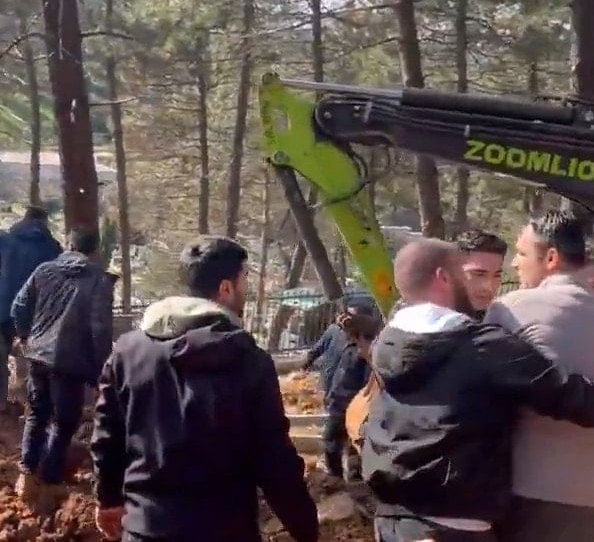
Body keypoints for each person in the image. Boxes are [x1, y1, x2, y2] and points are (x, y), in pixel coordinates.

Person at [361, 237, 594, 542]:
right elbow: (561, 392)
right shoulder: (482, 346)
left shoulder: (388, 343)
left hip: (392, 518)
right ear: (443, 277)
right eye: (467, 274)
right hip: (452, 524)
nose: (483, 287)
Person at [90, 237, 318, 542]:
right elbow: (274, 458)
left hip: (146, 529)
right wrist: (305, 528)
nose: (247, 287)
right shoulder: (248, 360)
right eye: (245, 277)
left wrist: (108, 499)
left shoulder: (128, 352)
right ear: (226, 288)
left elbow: (108, 435)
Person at [485, 210, 594, 542]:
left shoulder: (510, 309)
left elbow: (481, 394)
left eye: (522, 253)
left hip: (527, 490)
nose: (515, 263)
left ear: (551, 258)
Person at [11, 227, 113, 511]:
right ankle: (51, 477)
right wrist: (101, 373)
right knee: (66, 421)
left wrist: (25, 337)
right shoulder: (98, 280)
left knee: (37, 414)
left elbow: (19, 306)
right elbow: (99, 330)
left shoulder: (44, 270)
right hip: (70, 362)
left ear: (69, 243)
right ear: (95, 250)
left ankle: (27, 474)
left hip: (38, 356)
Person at [0, 205, 61, 413]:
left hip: (3, 308)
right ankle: (34, 406)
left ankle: (1, 404)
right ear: (44, 221)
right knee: (37, 360)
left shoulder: (6, 241)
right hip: (36, 312)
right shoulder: (53, 248)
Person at [323, 310, 380, 481]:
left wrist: (358, 407)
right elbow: (338, 375)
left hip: (352, 408)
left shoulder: (367, 356)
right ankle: (336, 478)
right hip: (338, 404)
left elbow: (367, 387)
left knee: (353, 447)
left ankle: (355, 481)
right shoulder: (346, 344)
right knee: (332, 444)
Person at [302, 303, 373, 393]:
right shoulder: (334, 330)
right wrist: (305, 366)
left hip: (347, 391)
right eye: (346, 314)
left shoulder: (365, 342)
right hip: (327, 383)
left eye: (351, 316)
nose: (345, 318)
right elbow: (317, 349)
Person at [455, 230, 507, 320]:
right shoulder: (434, 322)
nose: (489, 287)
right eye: (479, 275)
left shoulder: (504, 321)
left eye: (496, 275)